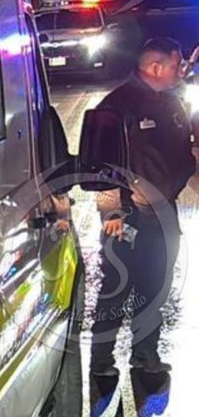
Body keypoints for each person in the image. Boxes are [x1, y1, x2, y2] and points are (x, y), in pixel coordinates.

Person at [79, 37, 198, 382]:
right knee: (116, 289)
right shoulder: (115, 107)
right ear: (156, 67)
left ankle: (146, 354)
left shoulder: (173, 105)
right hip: (127, 215)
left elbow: (184, 156)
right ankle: (101, 359)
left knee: (156, 285)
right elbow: (99, 168)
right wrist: (112, 214)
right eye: (176, 65)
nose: (180, 71)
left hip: (164, 215)